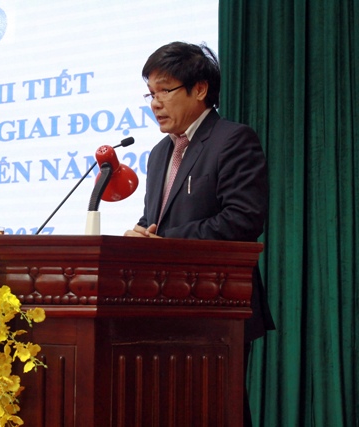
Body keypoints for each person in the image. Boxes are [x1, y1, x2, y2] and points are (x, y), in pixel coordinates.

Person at [124, 41, 275, 427]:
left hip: (217, 304)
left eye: (164, 91)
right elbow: (156, 219)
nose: (155, 103)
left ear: (200, 89)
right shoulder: (159, 153)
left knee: (217, 410)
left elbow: (243, 219)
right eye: (150, 93)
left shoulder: (233, 140)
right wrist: (140, 237)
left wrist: (166, 243)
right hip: (162, 306)